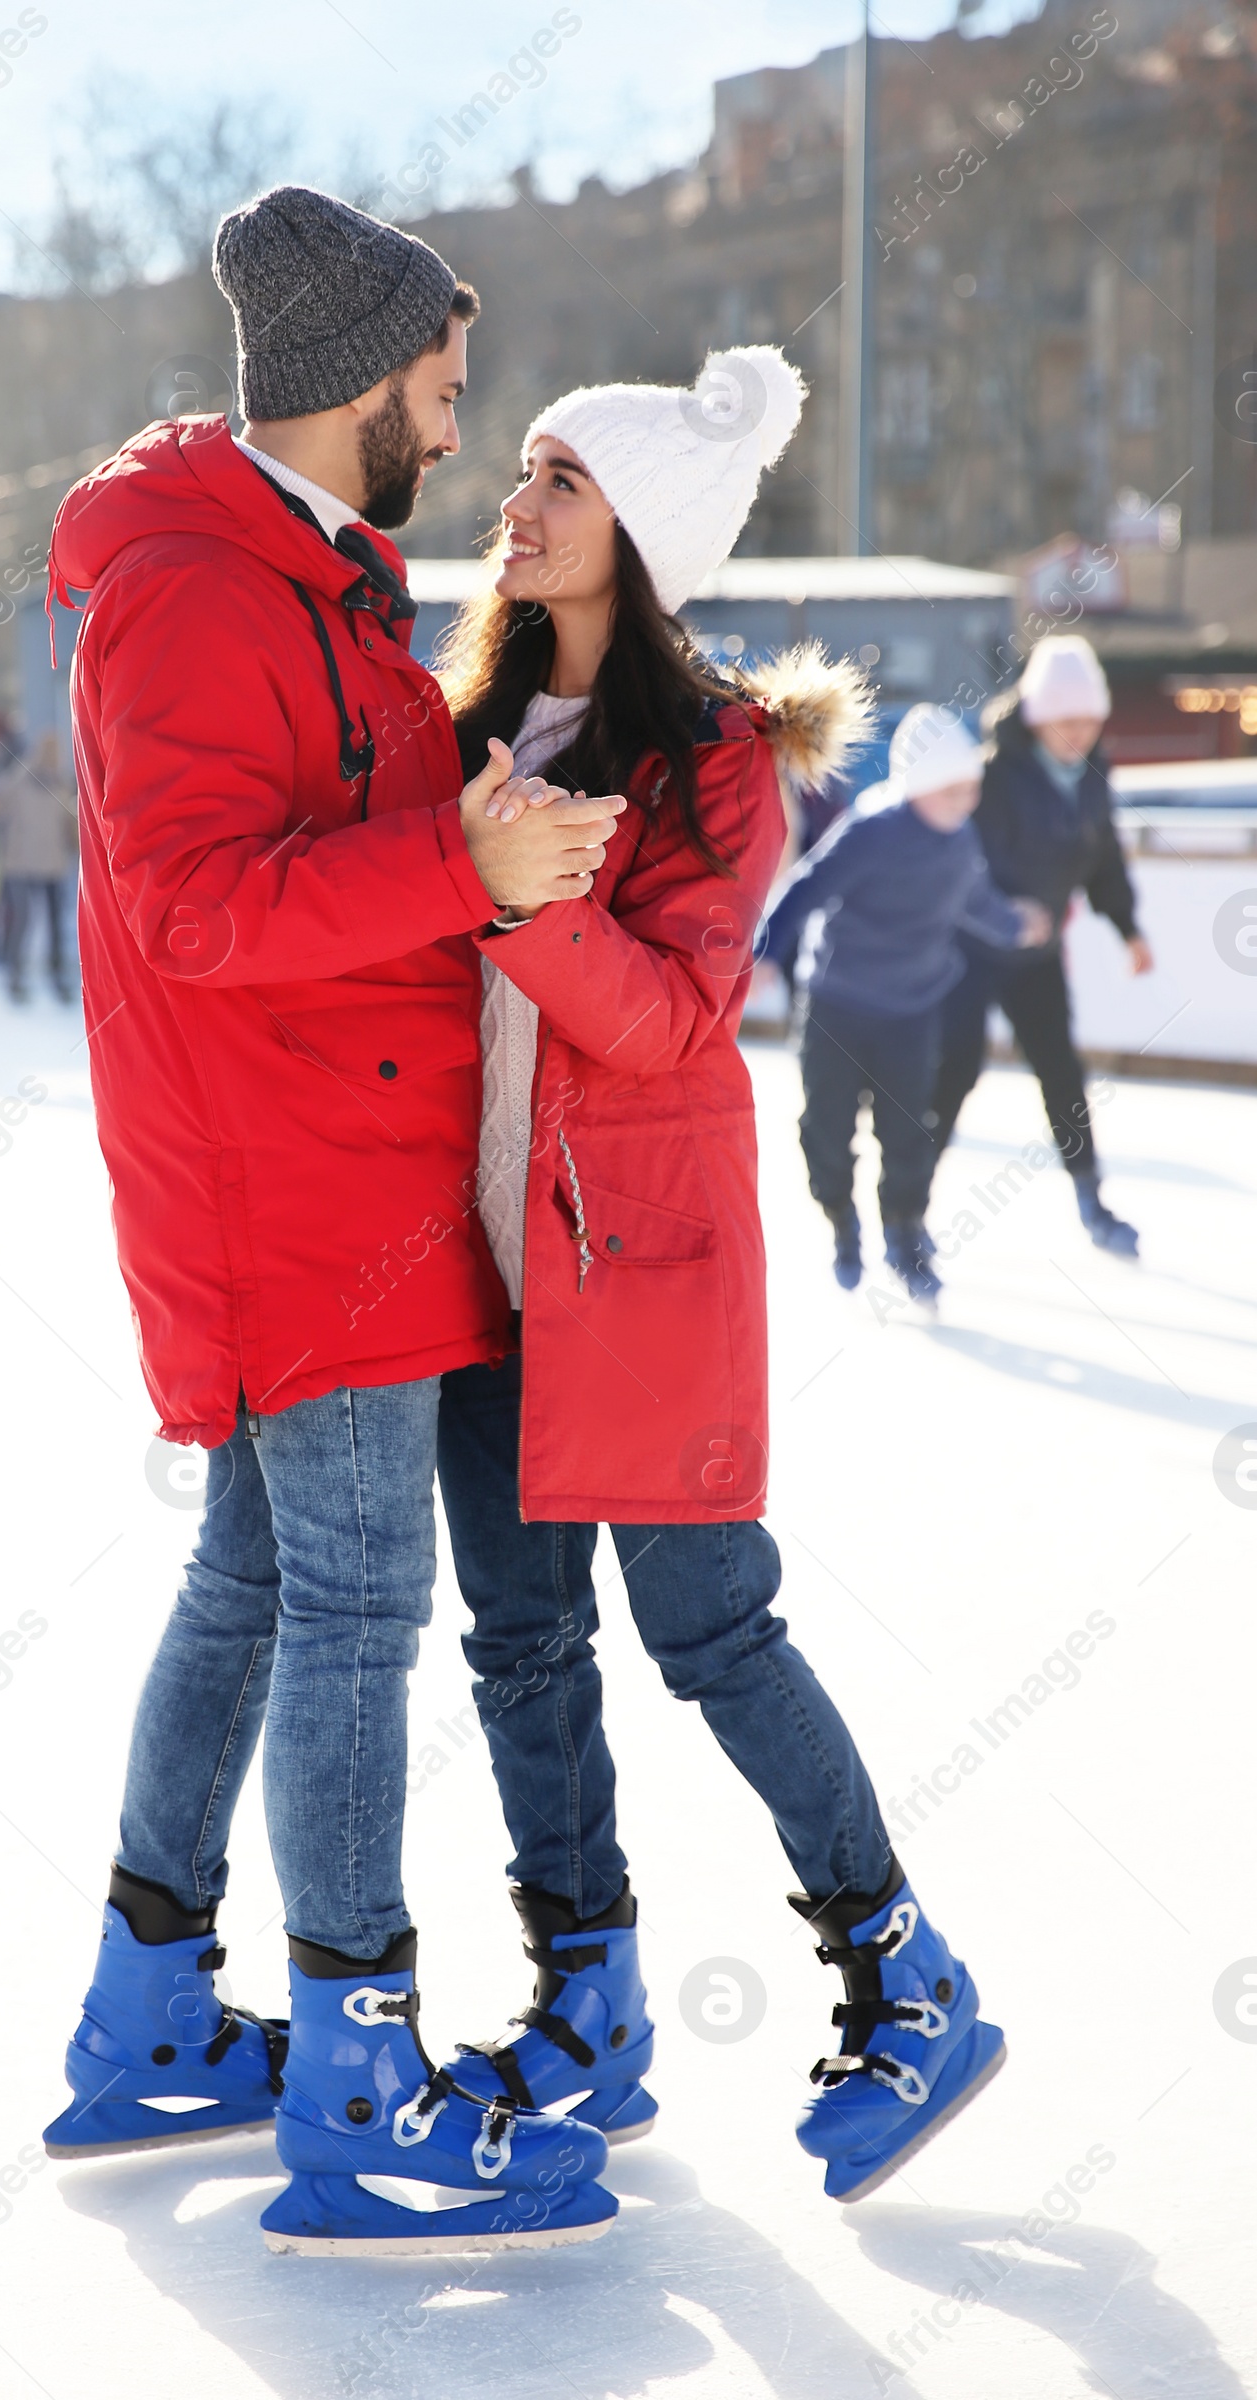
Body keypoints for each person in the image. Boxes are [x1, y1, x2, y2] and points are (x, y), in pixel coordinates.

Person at [44, 184, 631, 2256]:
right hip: (292, 1190)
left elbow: (332, 852)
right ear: (360, 384)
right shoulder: (203, 593)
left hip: (334, 1161)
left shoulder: (299, 577)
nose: (455, 432)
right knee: (358, 1612)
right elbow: (201, 907)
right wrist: (465, 865)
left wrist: (473, 842)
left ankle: (147, 2017)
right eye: (443, 393)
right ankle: (363, 2077)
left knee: (250, 1591)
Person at [427, 357, 1006, 2206]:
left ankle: (903, 1975)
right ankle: (586, 2000)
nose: (518, 504)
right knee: (520, 1650)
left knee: (715, 1637)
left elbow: (676, 1019)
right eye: (518, 469)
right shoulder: (470, 727)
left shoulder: (716, 763)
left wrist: (529, 896)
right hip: (481, 1279)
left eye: (562, 480)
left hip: (643, 1279)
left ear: (645, 538)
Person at [759, 704, 1050, 1300]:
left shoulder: (960, 840)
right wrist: (764, 954)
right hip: (837, 1007)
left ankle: (904, 1233)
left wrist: (1018, 926)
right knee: (827, 1130)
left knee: (909, 1133)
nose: (964, 801)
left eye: (971, 788)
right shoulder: (871, 831)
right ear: (918, 784)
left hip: (913, 1011)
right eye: (951, 789)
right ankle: (841, 1219)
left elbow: (976, 901)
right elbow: (806, 888)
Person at [930, 634, 1151, 1255]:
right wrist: (1005, 913)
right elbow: (965, 860)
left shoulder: (1092, 774)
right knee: (955, 1070)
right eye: (1066, 720)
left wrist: (1128, 927)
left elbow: (1104, 857)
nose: (1079, 733)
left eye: (1089, 719)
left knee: (1061, 1071)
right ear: (1038, 717)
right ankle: (908, 1208)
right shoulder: (995, 772)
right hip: (970, 950)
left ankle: (1091, 1199)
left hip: (1038, 953)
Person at [0, 731, 78, 1000]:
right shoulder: (19, 778)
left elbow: (71, 827)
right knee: (22, 920)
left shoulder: (62, 784)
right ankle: (15, 974)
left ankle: (55, 974)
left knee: (54, 922)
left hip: (52, 864)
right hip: (21, 863)